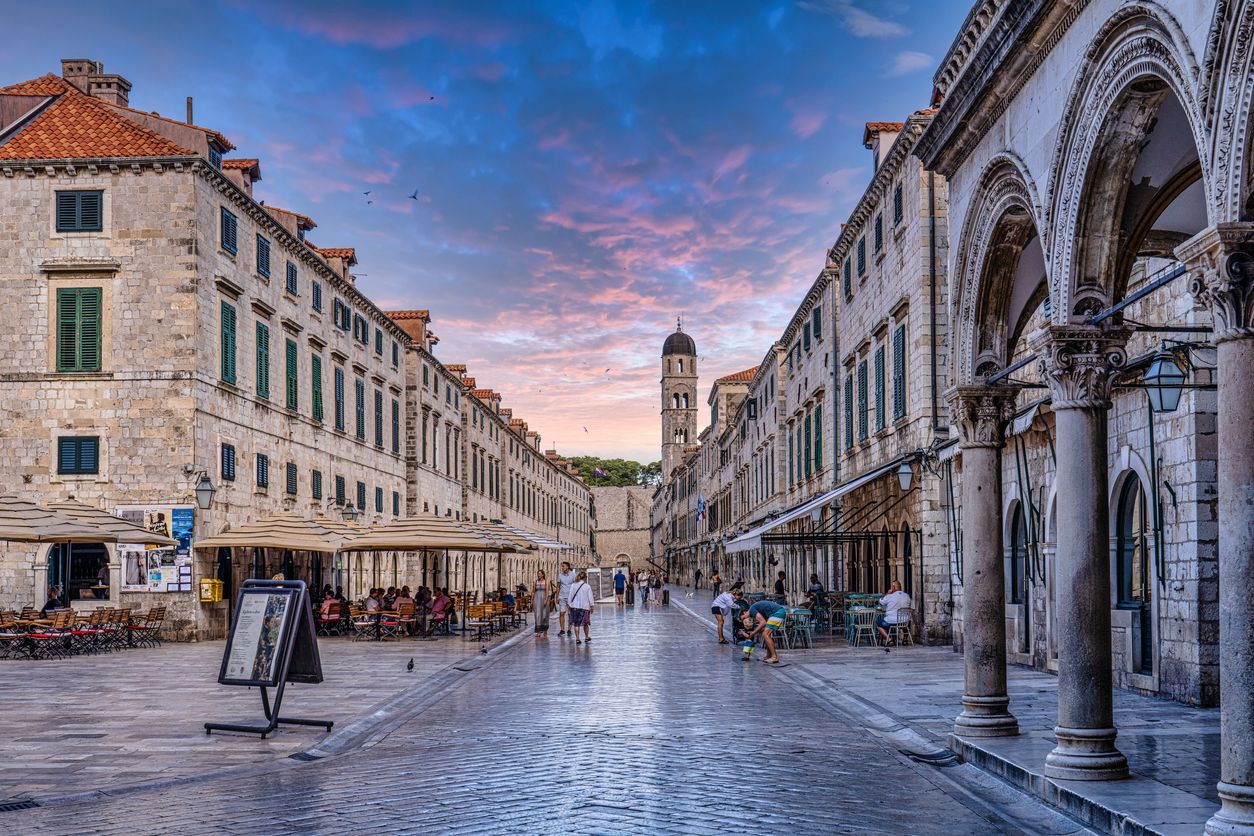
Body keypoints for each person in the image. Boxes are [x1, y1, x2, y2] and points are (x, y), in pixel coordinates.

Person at [743, 598, 787, 664]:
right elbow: (764, 622)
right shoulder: (754, 610)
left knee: (765, 634)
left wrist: (754, 632)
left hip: (777, 613)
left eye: (743, 617)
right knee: (766, 634)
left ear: (744, 612)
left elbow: (763, 622)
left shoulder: (752, 610)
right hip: (777, 613)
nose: (745, 619)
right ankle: (768, 656)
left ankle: (774, 657)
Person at [876, 581, 913, 645]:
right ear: (900, 587)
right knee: (908, 622)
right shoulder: (907, 596)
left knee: (879, 625)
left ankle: (889, 639)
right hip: (904, 622)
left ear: (893, 588)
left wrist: (887, 593)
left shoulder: (889, 596)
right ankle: (905, 639)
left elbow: (880, 602)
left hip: (890, 622)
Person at [567, 570, 596, 645]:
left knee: (576, 624)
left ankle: (577, 639)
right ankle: (586, 637)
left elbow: (570, 595)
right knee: (585, 623)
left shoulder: (573, 585)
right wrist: (592, 606)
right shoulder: (587, 586)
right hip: (584, 607)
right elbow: (590, 597)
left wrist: (569, 604)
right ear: (585, 578)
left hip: (574, 607)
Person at [555, 561, 576, 636]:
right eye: (562, 566)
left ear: (567, 566)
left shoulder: (573, 575)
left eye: (563, 566)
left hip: (571, 597)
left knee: (570, 614)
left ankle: (569, 629)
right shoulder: (560, 575)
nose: (562, 567)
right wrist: (557, 597)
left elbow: (575, 586)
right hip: (562, 596)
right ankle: (562, 629)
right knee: (562, 613)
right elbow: (558, 586)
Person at [533, 570, 551, 637]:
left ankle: (545, 630)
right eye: (538, 573)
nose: (538, 575)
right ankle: (538, 631)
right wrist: (532, 601)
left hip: (544, 598)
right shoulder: (535, 582)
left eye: (540, 573)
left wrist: (546, 600)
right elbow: (533, 591)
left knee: (544, 615)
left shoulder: (546, 582)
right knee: (537, 615)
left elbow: (547, 592)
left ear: (543, 574)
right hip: (537, 599)